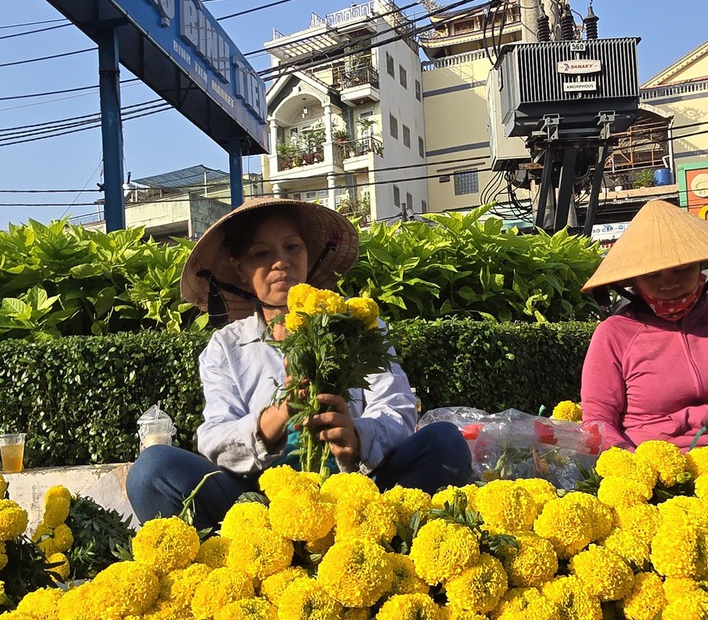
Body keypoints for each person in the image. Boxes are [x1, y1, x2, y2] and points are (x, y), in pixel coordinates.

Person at [125, 198, 473, 527]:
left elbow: (396, 407)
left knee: (445, 443)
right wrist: (277, 416)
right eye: (261, 253)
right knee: (152, 472)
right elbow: (215, 440)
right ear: (239, 268)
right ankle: (253, 550)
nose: (281, 262)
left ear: (310, 254)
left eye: (293, 247)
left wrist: (356, 437)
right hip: (257, 505)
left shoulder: (356, 325)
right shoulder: (226, 347)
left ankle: (373, 535)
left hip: (358, 494)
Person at [578, 200, 708, 455]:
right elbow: (598, 419)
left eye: (681, 269)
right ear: (633, 282)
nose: (668, 284)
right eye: (652, 275)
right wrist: (630, 464)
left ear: (702, 267)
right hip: (660, 464)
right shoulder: (614, 333)